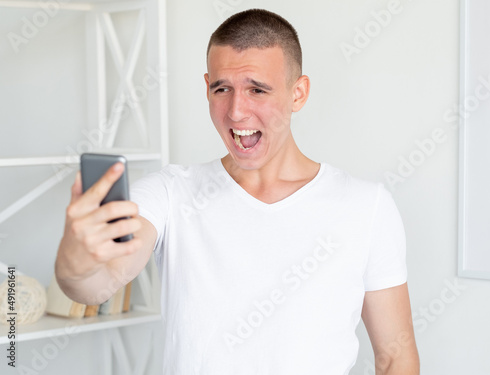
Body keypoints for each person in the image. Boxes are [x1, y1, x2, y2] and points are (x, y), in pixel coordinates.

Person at [55, 8, 419, 374]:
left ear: (298, 93)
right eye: (222, 89)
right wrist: (76, 257)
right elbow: (95, 287)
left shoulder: (365, 206)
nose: (236, 112)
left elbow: (395, 357)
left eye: (256, 89)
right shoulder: (170, 193)